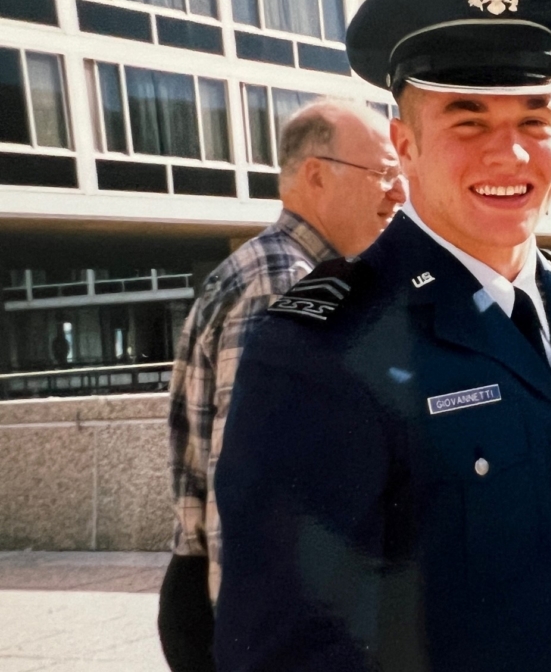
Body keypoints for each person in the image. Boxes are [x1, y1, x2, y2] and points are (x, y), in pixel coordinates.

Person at [213, 0, 551, 672]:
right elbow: (288, 648)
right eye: (467, 120)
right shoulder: (320, 345)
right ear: (404, 145)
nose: (510, 152)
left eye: (535, 118)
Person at [159, 99, 404, 672]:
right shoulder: (285, 284)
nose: (399, 194)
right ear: (317, 174)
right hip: (244, 616)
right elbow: (246, 494)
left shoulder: (265, 265)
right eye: (386, 174)